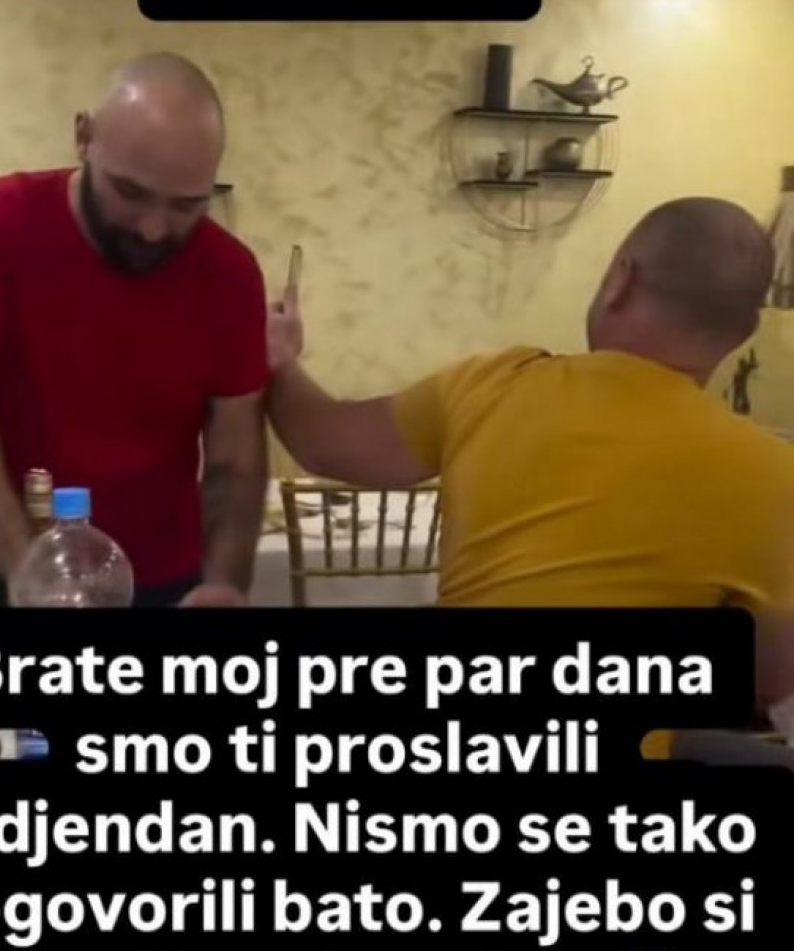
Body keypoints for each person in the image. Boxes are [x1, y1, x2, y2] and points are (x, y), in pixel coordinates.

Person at [266, 196, 794, 722]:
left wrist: (280, 359)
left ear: (621, 279)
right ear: (743, 333)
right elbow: (772, 679)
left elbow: (326, 441)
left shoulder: (492, 387)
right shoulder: (773, 475)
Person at [0, 53, 268, 608]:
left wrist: (224, 585)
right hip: (9, 571)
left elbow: (235, 459)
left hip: (167, 588)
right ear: (84, 137)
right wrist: (32, 571)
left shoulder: (230, 274)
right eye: (131, 193)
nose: (153, 229)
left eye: (188, 205)